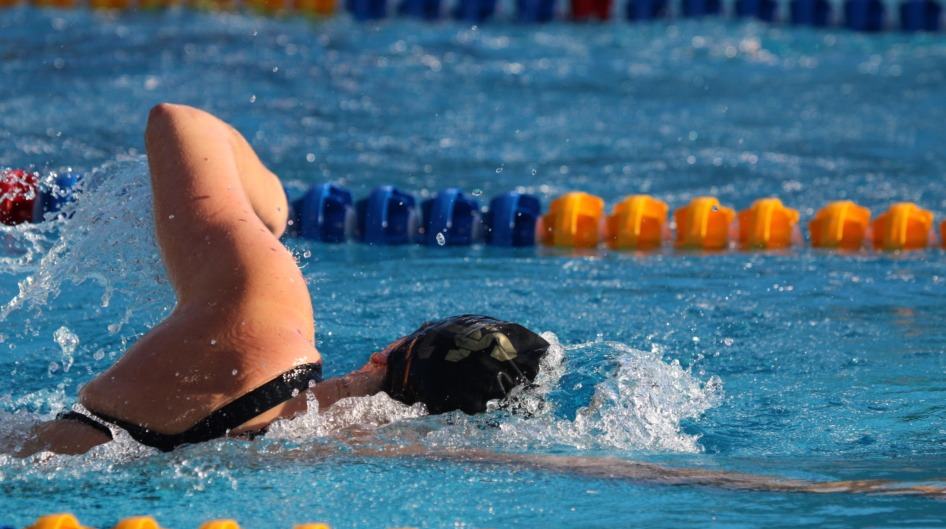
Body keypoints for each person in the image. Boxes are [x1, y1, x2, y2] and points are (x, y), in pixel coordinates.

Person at [18, 104, 549, 456]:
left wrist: (269, 210)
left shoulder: (265, 320)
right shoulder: (329, 455)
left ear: (385, 353)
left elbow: (178, 121)